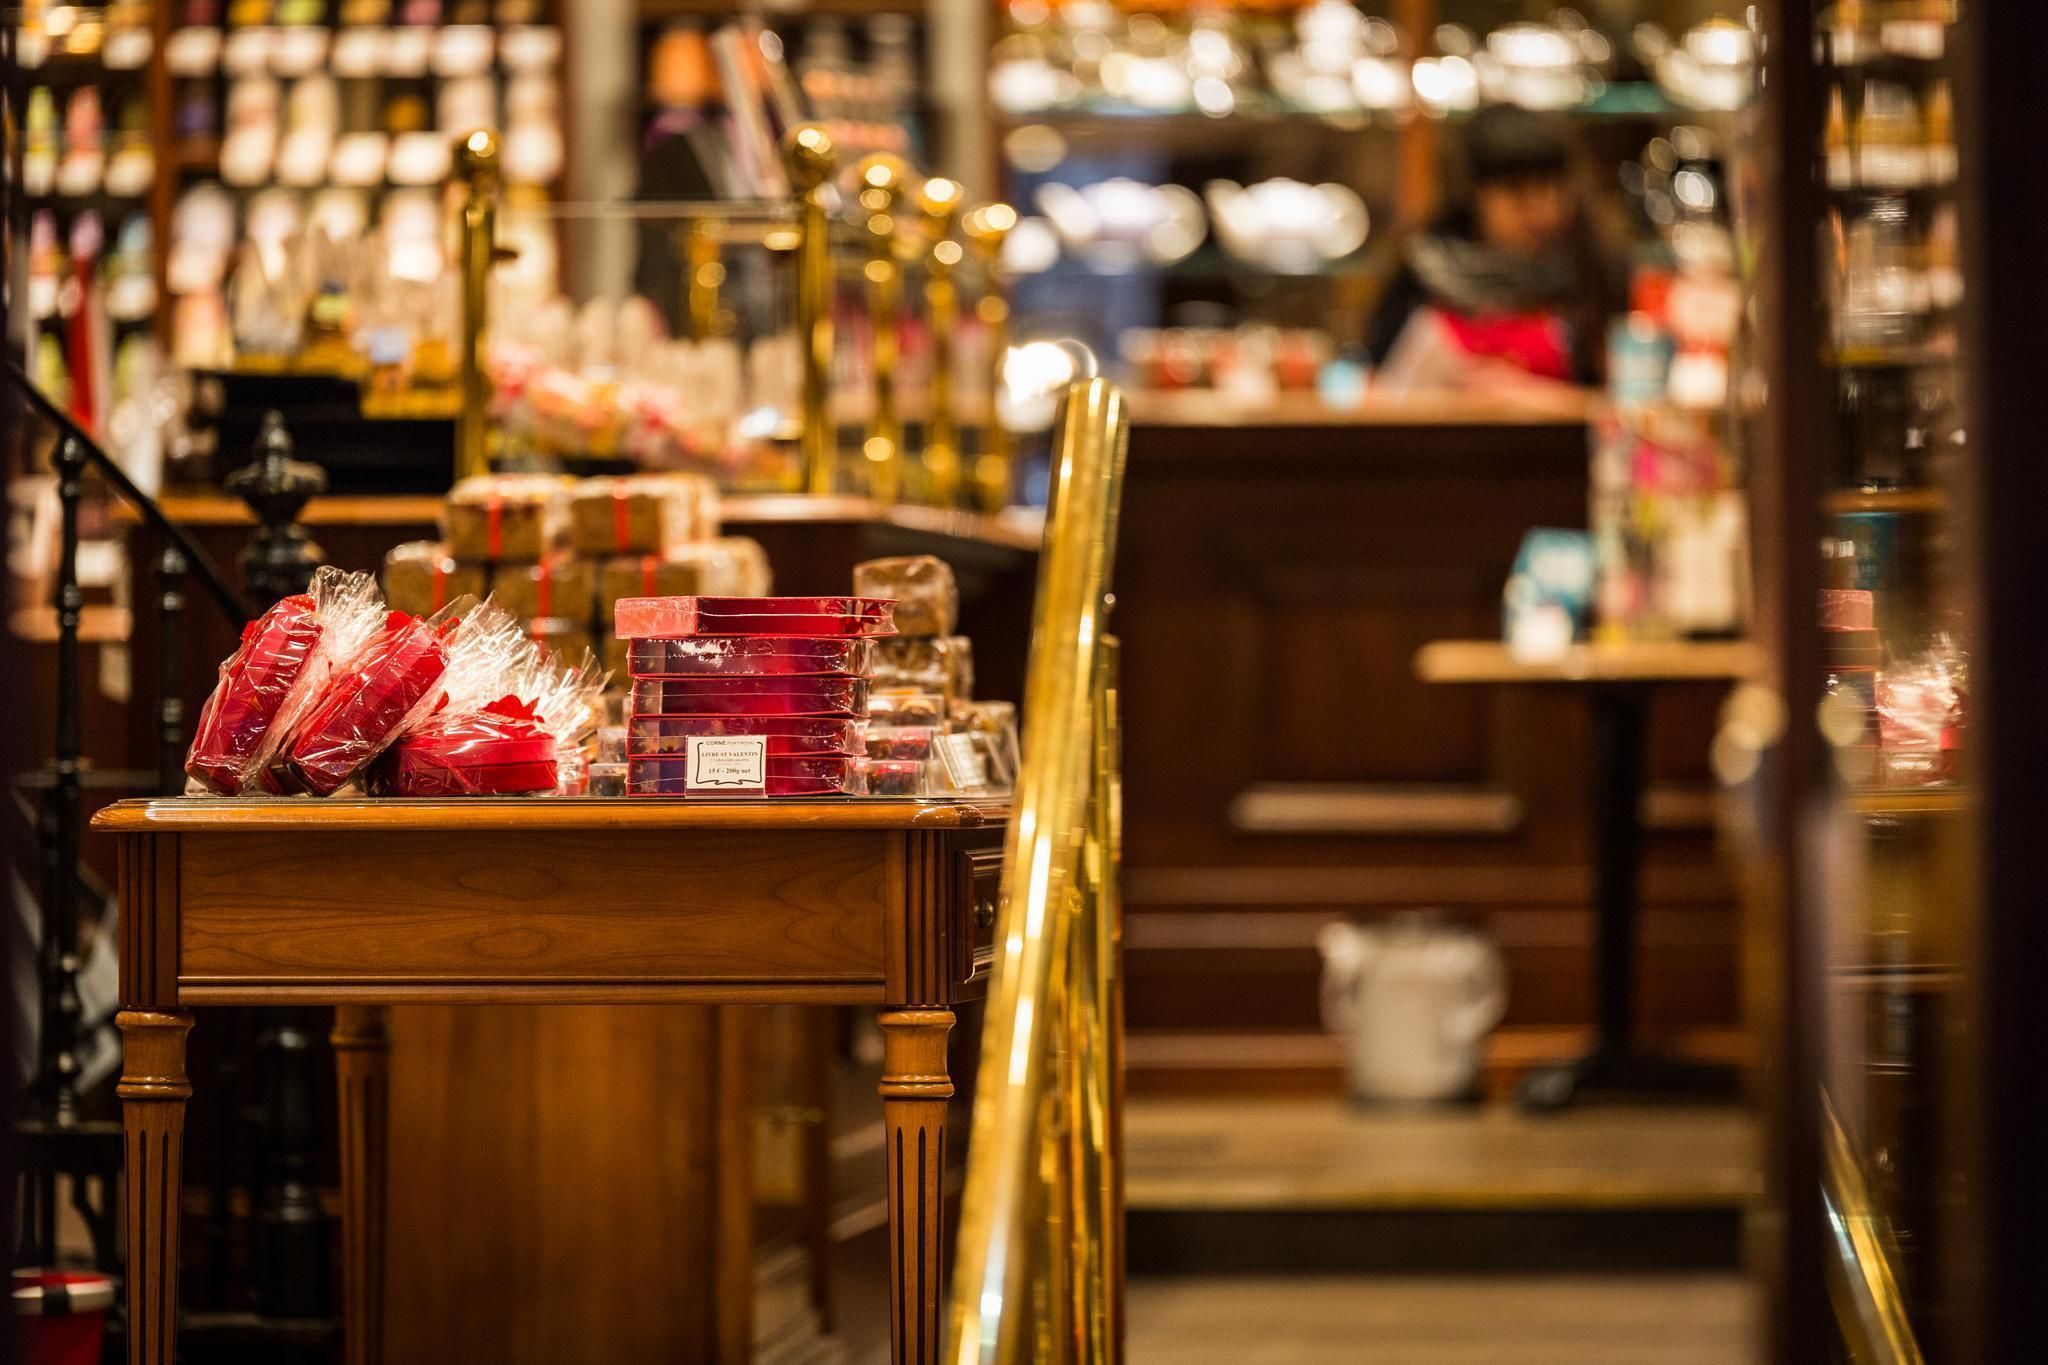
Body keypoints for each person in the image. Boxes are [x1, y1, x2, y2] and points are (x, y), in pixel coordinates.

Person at [1366, 103, 1625, 389]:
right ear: (1475, 194)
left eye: (1553, 188)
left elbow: (1622, 401)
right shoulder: (1425, 271)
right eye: (1518, 191)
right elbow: (1376, 383)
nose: (1544, 210)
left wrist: (1525, 395)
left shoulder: (1590, 268)